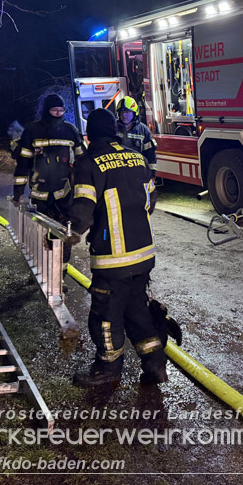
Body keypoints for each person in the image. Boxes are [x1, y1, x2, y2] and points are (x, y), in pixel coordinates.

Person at [68, 108, 167, 387]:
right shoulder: (137, 158)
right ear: (115, 131)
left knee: (106, 316)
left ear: (89, 136)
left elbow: (83, 213)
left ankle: (107, 370)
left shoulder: (89, 163)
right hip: (144, 254)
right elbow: (151, 201)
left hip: (113, 259)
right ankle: (155, 365)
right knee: (138, 312)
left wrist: (68, 233)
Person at [13, 94, 85, 268]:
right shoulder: (33, 130)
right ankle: (42, 267)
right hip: (40, 194)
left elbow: (83, 160)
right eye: (54, 110)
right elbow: (23, 164)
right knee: (40, 232)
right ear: (47, 110)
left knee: (64, 232)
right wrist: (18, 194)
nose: (58, 113)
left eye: (61, 110)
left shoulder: (70, 130)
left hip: (64, 193)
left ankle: (61, 272)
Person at [116, 96, 157, 177]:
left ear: (134, 113)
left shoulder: (143, 130)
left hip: (138, 174)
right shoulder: (113, 129)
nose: (124, 115)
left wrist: (152, 175)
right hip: (118, 174)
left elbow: (150, 155)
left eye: (127, 112)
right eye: (121, 112)